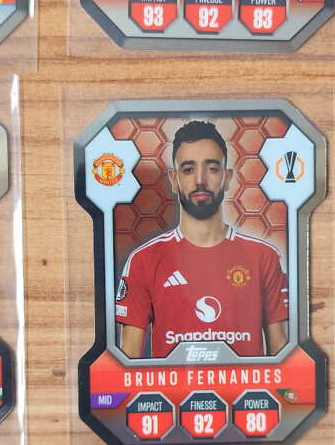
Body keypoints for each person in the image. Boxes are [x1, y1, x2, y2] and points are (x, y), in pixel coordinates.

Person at [115, 120, 288, 359]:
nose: (200, 180)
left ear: (227, 178)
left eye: (212, 168)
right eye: (188, 169)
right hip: (174, 386)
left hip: (242, 385)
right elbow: (128, 359)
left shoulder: (264, 257)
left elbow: (280, 351)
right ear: (174, 180)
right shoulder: (143, 261)